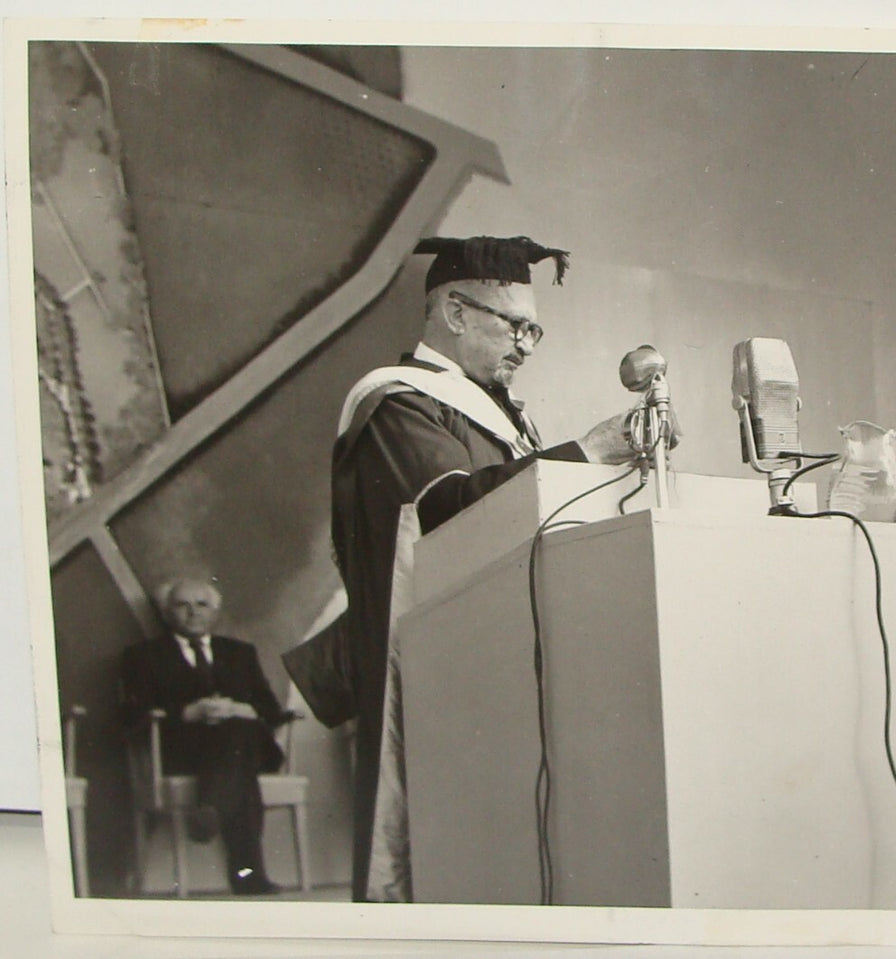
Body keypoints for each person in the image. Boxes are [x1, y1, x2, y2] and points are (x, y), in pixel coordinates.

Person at [330, 235, 639, 902]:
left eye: (535, 328)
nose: (527, 343)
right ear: (456, 313)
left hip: (489, 646)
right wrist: (583, 451)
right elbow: (448, 510)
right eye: (515, 324)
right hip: (424, 655)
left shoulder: (499, 413)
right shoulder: (398, 403)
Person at [120, 577, 288, 895]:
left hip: (249, 745)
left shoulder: (240, 653)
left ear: (215, 612)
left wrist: (238, 709)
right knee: (239, 767)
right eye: (182, 605)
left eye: (201, 605)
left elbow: (272, 711)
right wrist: (187, 713)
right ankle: (248, 876)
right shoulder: (143, 656)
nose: (193, 613)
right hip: (184, 752)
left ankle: (211, 806)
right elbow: (132, 714)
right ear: (168, 613)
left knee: (237, 734)